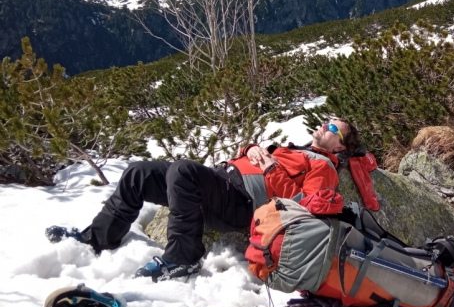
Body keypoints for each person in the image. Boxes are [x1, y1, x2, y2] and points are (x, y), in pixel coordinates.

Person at [46, 119, 361, 282]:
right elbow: (252, 159)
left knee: (183, 171)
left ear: (340, 149)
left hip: (240, 203)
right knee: (138, 172)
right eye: (326, 122)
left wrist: (270, 169)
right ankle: (96, 239)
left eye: (333, 128)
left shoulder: (324, 167)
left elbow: (301, 205)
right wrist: (250, 149)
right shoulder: (298, 149)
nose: (324, 126)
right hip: (221, 183)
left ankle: (183, 257)